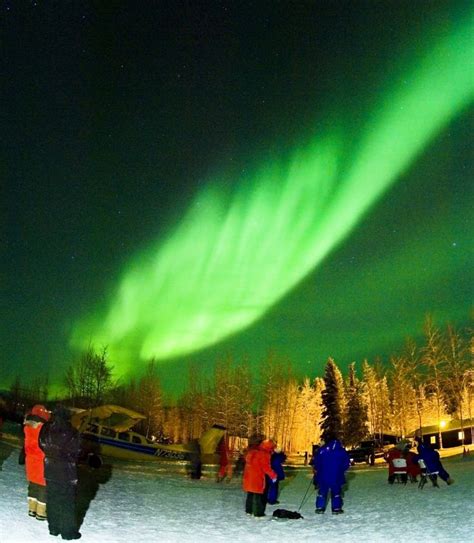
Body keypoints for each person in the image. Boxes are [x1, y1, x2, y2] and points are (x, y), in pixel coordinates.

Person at [39, 406, 82, 540]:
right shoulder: (72, 432)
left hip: (50, 470)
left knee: (52, 499)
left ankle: (53, 528)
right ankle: (68, 532)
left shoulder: (46, 429)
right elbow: (78, 451)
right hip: (66, 473)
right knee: (67, 503)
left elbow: (41, 444)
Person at [21, 404, 50, 520]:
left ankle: (32, 509)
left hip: (30, 460)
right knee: (43, 486)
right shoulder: (43, 428)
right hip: (41, 460)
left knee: (33, 484)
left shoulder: (27, 426)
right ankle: (41, 513)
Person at [314, 435, 350, 514]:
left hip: (323, 475)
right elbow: (347, 463)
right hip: (337, 475)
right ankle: (336, 508)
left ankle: (320, 507)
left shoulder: (322, 450)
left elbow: (316, 462)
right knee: (336, 492)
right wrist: (341, 470)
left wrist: (318, 470)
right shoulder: (341, 451)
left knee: (322, 492)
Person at [242, 437, 277, 517]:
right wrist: (273, 475)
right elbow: (266, 467)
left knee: (250, 494)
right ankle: (258, 513)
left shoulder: (252, 451)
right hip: (257, 477)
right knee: (258, 496)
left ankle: (249, 510)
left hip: (248, 476)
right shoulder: (264, 454)